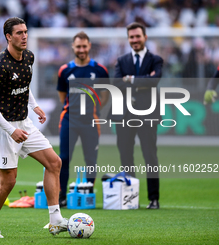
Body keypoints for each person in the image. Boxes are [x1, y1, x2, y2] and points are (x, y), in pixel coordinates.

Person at [0, 17, 67, 238]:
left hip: (24, 123)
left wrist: (35, 106)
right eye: (19, 33)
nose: (24, 36)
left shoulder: (28, 56)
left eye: (26, 32)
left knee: (54, 163)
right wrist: (11, 130)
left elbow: (23, 84)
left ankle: (55, 219)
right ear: (8, 37)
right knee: (9, 182)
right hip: (4, 129)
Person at [107, 22, 163, 209]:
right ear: (128, 39)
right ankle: (131, 198)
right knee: (126, 155)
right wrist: (142, 81)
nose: (135, 40)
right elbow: (116, 84)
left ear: (145, 37)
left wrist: (130, 79)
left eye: (138, 36)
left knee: (150, 156)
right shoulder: (122, 61)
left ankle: (154, 199)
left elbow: (155, 81)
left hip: (147, 115)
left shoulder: (156, 59)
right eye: (131, 37)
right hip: (124, 115)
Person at [57, 31, 109, 207]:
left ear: (89, 46)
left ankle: (88, 196)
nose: (81, 49)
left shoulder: (100, 70)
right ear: (73, 47)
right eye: (78, 46)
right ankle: (61, 196)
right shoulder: (65, 70)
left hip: (91, 121)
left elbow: (105, 95)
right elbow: (62, 95)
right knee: (63, 158)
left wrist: (93, 110)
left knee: (91, 160)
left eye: (84, 46)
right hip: (69, 120)